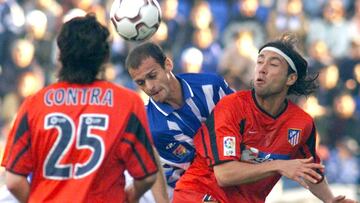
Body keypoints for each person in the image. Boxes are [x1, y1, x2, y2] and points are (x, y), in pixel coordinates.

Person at [173, 34, 358, 203]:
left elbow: (309, 171)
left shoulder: (302, 124)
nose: (262, 69)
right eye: (260, 61)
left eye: (273, 64)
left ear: (290, 78)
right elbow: (225, 174)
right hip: (199, 193)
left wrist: (331, 200)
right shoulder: (232, 106)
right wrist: (278, 165)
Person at [1, 14, 161, 203]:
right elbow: (147, 175)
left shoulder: (33, 104)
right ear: (104, 57)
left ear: (60, 55)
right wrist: (128, 198)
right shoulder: (127, 103)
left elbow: (13, 181)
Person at [125, 42, 234, 199]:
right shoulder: (156, 128)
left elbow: (241, 119)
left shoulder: (212, 85)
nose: (149, 87)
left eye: (152, 76)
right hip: (165, 189)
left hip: (209, 173)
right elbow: (202, 166)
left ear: (168, 64)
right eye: (141, 83)